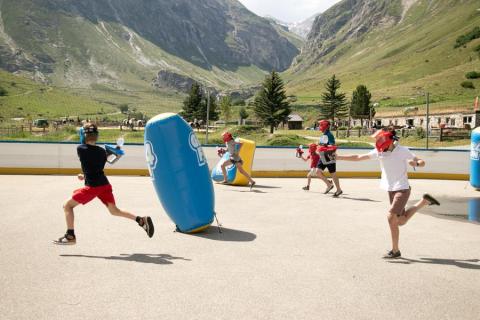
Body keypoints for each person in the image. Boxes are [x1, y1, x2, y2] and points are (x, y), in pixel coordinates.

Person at [336, 127, 440, 258]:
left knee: (391, 218)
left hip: (402, 189)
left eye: (384, 146)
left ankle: (395, 251)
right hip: (391, 189)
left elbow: (422, 162)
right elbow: (358, 157)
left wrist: (416, 163)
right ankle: (424, 201)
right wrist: (339, 157)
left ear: (390, 142)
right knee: (400, 221)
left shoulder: (403, 151)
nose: (382, 149)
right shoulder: (380, 151)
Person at [54, 123, 154, 245]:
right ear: (96, 135)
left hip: (93, 187)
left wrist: (86, 174)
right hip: (104, 185)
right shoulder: (102, 152)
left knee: (67, 206)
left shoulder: (80, 148)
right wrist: (112, 152)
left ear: (84, 135)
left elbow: (89, 161)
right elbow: (95, 166)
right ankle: (140, 220)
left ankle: (70, 236)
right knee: (114, 210)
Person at [316, 120, 342, 197]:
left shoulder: (329, 135)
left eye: (320, 125)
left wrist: (323, 147)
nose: (319, 127)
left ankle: (339, 190)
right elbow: (322, 145)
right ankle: (329, 185)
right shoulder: (324, 134)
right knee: (318, 172)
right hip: (323, 156)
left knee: (333, 174)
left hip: (329, 156)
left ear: (324, 126)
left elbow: (333, 146)